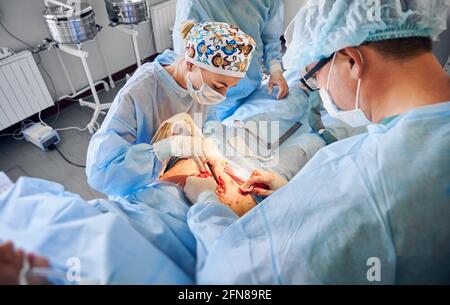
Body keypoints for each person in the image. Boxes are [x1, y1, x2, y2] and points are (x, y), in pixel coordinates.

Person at [185, 0, 450, 284]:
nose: (320, 89)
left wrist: (206, 204)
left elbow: (235, 279)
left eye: (315, 77)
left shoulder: (366, 181)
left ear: (352, 60)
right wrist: (293, 194)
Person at [86, 21, 256, 198]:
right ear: (190, 64)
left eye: (230, 86)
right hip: (138, 185)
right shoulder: (139, 93)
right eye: (219, 85)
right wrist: (168, 147)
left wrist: (210, 143)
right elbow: (102, 174)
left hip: (179, 172)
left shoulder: (200, 86)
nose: (223, 95)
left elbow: (209, 121)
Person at [173, 0, 289, 121]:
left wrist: (275, 70)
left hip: (252, 90)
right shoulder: (193, 3)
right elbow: (186, 57)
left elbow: (270, 38)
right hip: (210, 100)